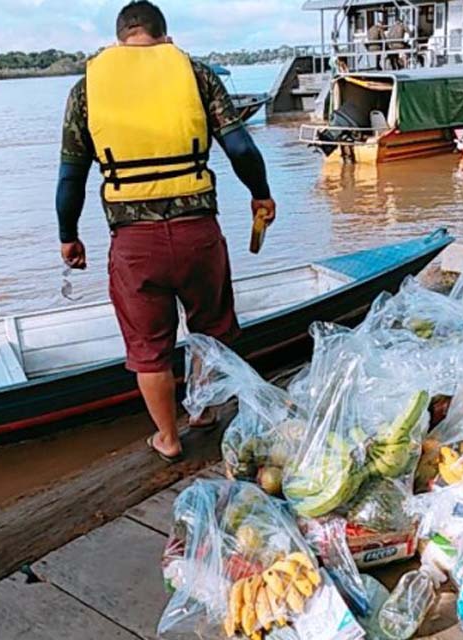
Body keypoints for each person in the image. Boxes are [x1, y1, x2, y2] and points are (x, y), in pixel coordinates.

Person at [55, 1, 276, 462]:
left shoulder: (86, 88)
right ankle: (203, 412)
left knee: (149, 348)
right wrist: (261, 194)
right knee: (210, 330)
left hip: (135, 243)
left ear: (120, 41)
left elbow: (70, 177)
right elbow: (241, 148)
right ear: (165, 37)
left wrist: (68, 235)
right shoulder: (196, 74)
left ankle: (168, 438)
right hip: (198, 234)